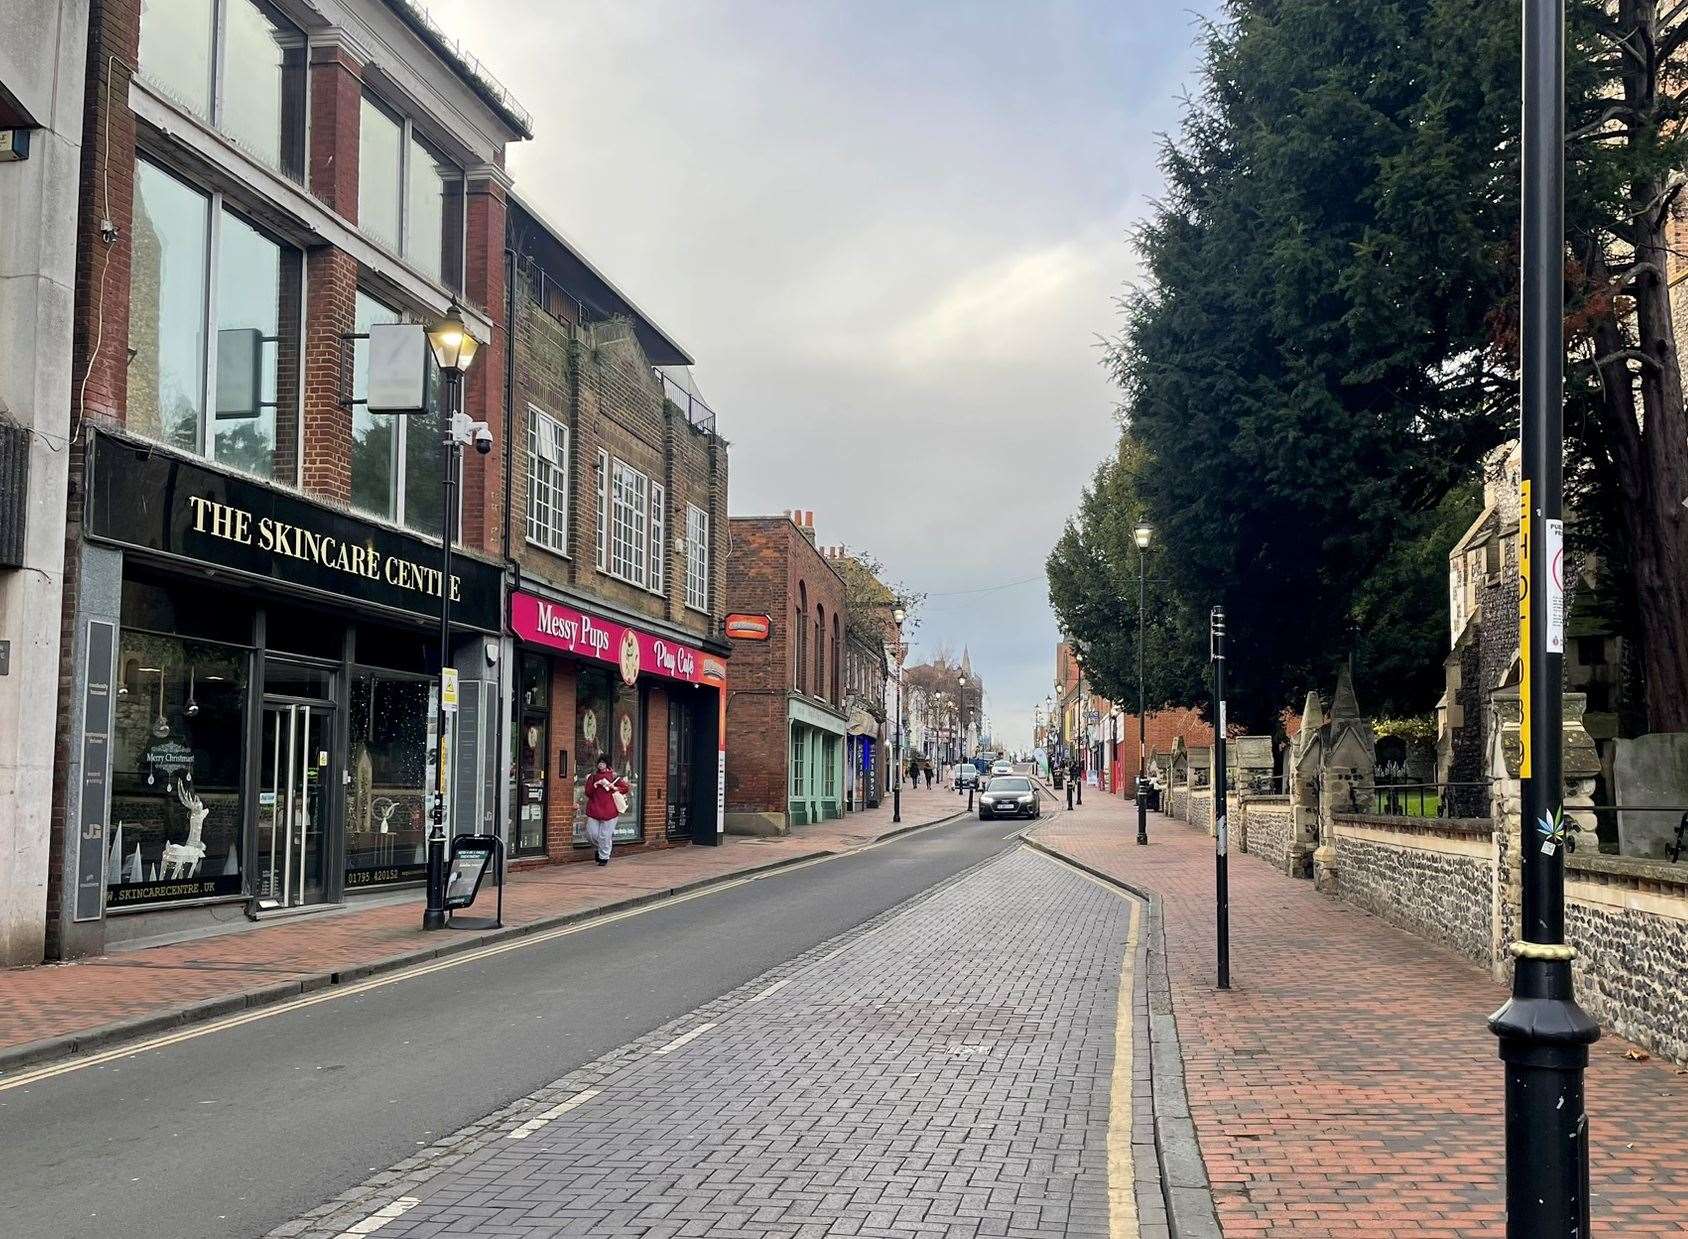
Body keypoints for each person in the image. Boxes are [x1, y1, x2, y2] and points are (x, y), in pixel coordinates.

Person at [583, 754, 630, 866]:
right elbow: (588, 793)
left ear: (607, 764)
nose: (601, 764)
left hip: (610, 810)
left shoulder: (613, 776)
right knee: (591, 834)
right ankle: (599, 849)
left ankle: (603, 857)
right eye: (600, 762)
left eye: (603, 762)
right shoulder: (593, 777)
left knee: (605, 835)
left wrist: (614, 787)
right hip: (594, 809)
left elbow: (625, 788)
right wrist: (595, 785)